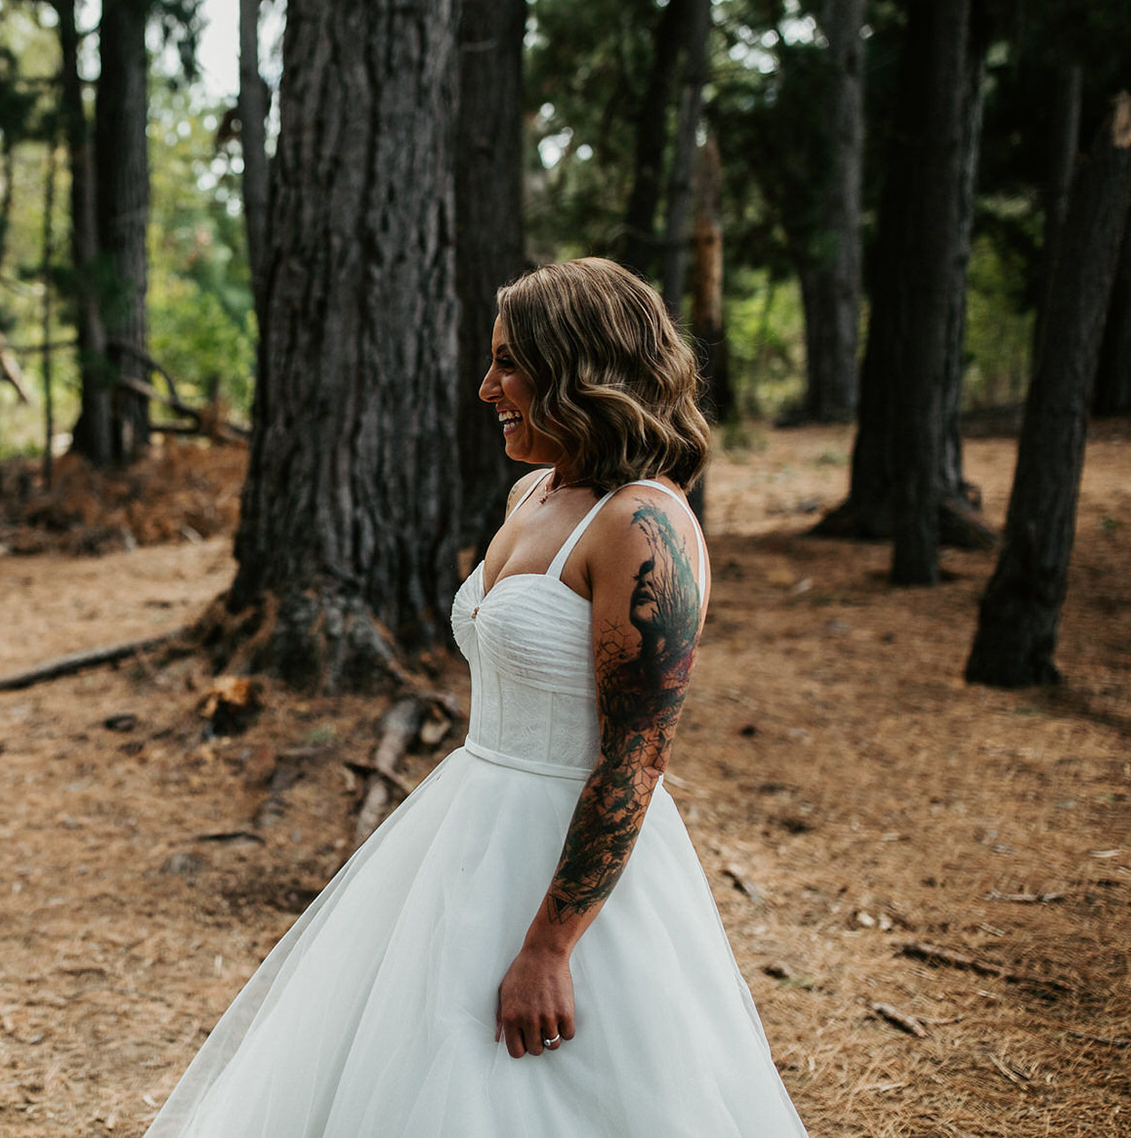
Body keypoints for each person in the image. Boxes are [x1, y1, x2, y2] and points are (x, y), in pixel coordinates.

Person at [146, 259, 806, 1136]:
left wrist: (548, 948)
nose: (486, 385)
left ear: (578, 368)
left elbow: (635, 759)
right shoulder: (534, 491)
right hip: (465, 829)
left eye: (508, 363)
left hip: (567, 866)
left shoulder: (645, 527)